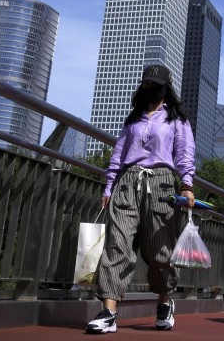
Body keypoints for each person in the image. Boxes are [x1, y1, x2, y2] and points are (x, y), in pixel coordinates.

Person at [86, 64, 196, 335]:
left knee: (160, 251)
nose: (150, 88)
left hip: (161, 185)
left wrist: (187, 185)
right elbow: (118, 155)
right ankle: (109, 311)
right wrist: (108, 188)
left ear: (165, 87)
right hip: (127, 182)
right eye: (146, 83)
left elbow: (184, 154)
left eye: (155, 85)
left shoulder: (176, 120)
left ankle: (164, 301)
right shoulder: (133, 120)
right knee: (117, 245)